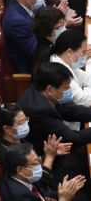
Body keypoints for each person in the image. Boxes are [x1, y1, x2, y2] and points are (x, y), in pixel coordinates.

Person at [17, 62, 91, 199]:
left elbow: (68, 110)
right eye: (66, 87)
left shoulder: (41, 92)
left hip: (55, 150)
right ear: (50, 89)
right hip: (46, 162)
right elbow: (72, 137)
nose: (68, 90)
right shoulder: (38, 109)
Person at [0, 143, 85, 201]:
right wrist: (64, 198)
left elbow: (41, 185)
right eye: (35, 163)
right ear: (20, 170)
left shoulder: (20, 177)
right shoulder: (20, 196)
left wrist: (63, 192)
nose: (39, 165)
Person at [2, 0, 43, 73]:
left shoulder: (20, 0)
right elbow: (37, 52)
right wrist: (55, 27)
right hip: (32, 71)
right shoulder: (17, 22)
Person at [49, 30, 91, 112]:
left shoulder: (65, 61)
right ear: (69, 51)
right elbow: (83, 99)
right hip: (66, 120)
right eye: (83, 52)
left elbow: (86, 78)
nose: (85, 56)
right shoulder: (59, 70)